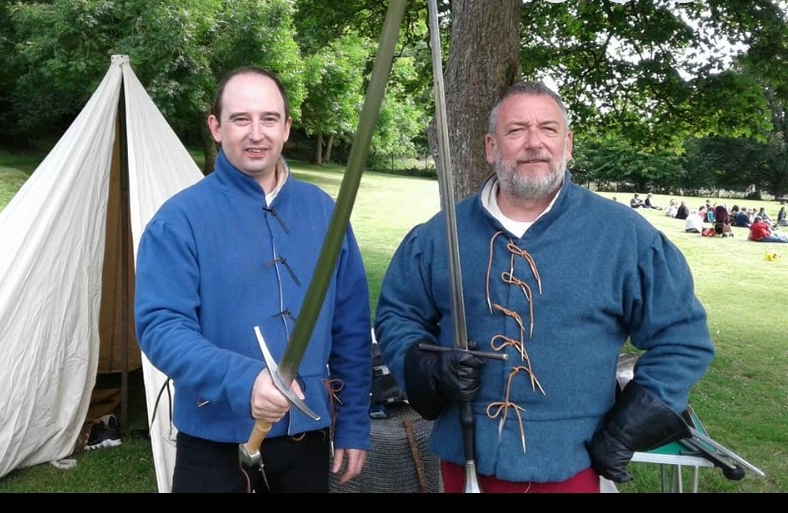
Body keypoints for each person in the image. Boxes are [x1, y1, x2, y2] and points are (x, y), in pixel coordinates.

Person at [374, 81, 715, 493]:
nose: (534, 143)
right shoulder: (438, 235)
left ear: (567, 145)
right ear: (491, 147)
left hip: (573, 463)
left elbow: (683, 339)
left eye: (548, 129)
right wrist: (429, 370)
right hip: (465, 459)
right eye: (516, 130)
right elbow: (398, 315)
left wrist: (626, 428)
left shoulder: (626, 237)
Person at [134, 67, 373, 493]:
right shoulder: (178, 220)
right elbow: (162, 328)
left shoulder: (325, 213)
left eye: (269, 119)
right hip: (213, 446)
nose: (256, 134)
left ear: (286, 128)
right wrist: (244, 382)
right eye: (241, 119)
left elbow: (351, 326)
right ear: (216, 127)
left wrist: (353, 420)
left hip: (306, 442)